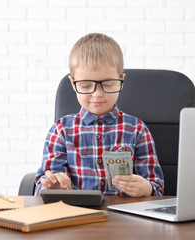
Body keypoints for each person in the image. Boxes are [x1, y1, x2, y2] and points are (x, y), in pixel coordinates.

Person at [35, 33, 164, 197]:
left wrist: (147, 189)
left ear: (121, 80)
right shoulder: (61, 130)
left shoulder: (137, 130)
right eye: (86, 85)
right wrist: (52, 188)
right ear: (73, 84)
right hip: (76, 216)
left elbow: (157, 188)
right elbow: (42, 186)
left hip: (126, 219)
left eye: (108, 84)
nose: (97, 94)